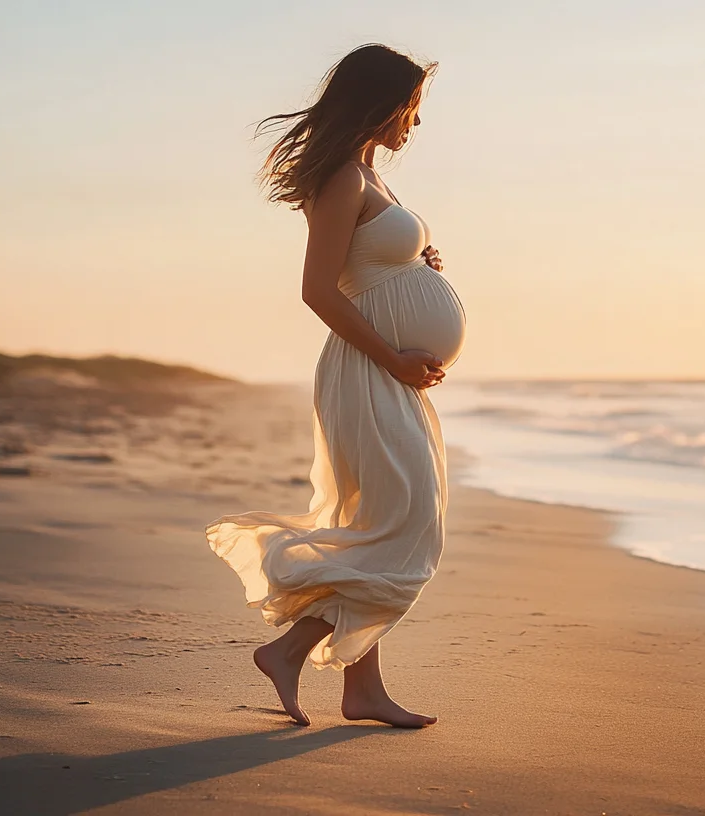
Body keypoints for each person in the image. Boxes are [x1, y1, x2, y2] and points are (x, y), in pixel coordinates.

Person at [205, 43, 464, 729]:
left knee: (372, 522)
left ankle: (363, 691)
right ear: (379, 104)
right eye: (410, 107)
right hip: (368, 371)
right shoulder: (342, 179)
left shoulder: (370, 174)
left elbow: (368, 264)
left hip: (389, 374)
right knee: (405, 525)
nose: (415, 122)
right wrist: (394, 357)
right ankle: (289, 651)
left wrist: (419, 264)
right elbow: (318, 291)